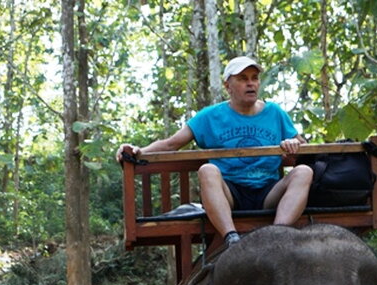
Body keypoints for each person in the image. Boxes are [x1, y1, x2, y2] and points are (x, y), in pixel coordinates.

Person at [117, 55, 312, 246]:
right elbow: (171, 144)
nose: (250, 84)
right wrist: (138, 151)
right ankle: (231, 238)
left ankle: (277, 236)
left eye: (254, 78)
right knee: (207, 170)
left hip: (268, 191)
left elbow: (301, 145)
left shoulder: (275, 112)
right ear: (228, 86)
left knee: (304, 171)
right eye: (243, 79)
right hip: (230, 193)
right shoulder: (210, 116)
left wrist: (292, 143)